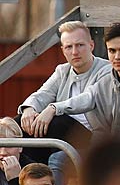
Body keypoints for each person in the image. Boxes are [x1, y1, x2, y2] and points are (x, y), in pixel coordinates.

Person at [18, 21, 103, 173]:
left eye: (80, 45)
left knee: (56, 121)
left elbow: (89, 98)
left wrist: (53, 108)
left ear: (91, 45)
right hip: (59, 131)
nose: (75, 52)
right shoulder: (62, 71)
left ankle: (44, 178)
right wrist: (29, 109)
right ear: (63, 50)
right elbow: (44, 93)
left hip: (92, 138)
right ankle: (26, 182)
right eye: (69, 47)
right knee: (20, 123)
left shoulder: (106, 69)